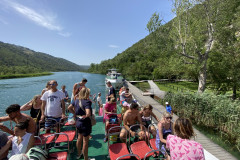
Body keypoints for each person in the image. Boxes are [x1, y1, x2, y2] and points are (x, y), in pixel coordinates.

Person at [68, 87, 92, 160]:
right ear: (86, 93)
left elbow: (69, 107)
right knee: (85, 142)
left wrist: (75, 113)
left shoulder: (76, 100)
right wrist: (87, 115)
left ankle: (79, 154)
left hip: (78, 122)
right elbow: (88, 113)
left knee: (79, 138)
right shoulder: (87, 102)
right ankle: (86, 158)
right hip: (85, 123)